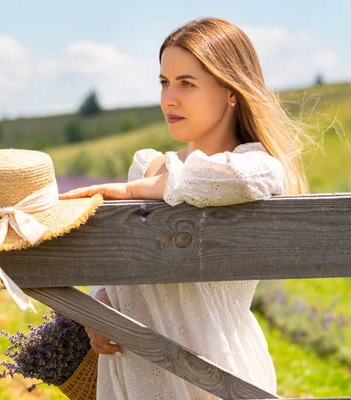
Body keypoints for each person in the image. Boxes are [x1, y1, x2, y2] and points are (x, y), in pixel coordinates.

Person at [59, 17, 312, 399]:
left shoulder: (254, 165)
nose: (168, 99)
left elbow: (232, 180)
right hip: (136, 368)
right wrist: (99, 310)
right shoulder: (149, 167)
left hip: (219, 373)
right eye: (164, 82)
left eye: (186, 84)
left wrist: (130, 191)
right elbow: (121, 266)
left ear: (231, 90)